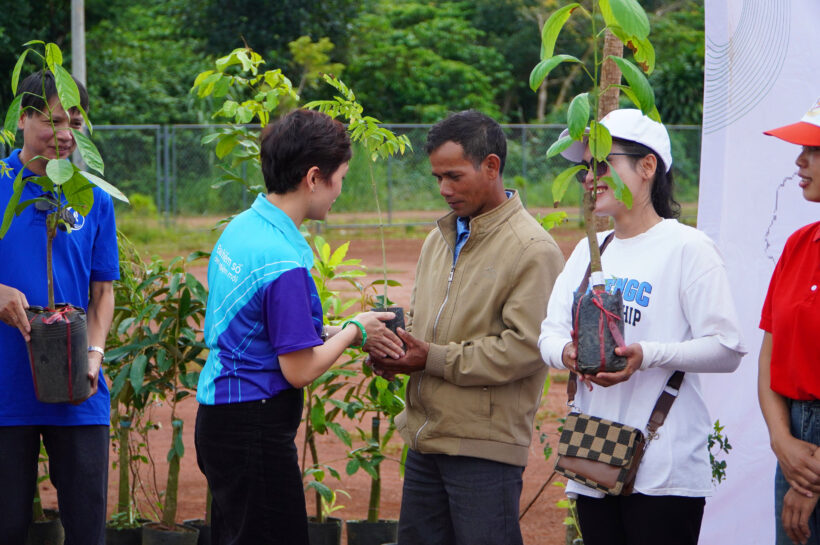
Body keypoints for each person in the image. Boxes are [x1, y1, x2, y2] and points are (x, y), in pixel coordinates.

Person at [194, 109, 403, 545]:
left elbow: (257, 326)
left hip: (219, 417)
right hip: (255, 425)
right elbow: (299, 369)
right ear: (313, 177)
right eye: (340, 177)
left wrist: (323, 329)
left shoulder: (244, 227)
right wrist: (353, 330)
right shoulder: (284, 261)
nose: (340, 191)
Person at [538, 109, 745, 545]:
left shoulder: (688, 248)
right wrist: (568, 355)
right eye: (584, 169)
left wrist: (646, 354)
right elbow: (549, 334)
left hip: (665, 467)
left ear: (647, 166)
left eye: (603, 163)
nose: (590, 178)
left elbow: (726, 348)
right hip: (594, 454)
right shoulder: (590, 250)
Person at [368, 110, 565, 545]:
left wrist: (431, 358)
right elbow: (425, 320)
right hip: (427, 439)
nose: (444, 189)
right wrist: (397, 348)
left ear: (491, 166)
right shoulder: (438, 239)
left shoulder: (533, 249)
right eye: (438, 177)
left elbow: (523, 348)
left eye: (454, 176)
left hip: (483, 450)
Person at [0, 72, 119, 544]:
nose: (65, 134)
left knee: (88, 527)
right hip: (6, 393)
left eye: (75, 121)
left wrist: (94, 357)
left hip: (78, 390)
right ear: (23, 118)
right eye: (52, 120)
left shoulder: (92, 197)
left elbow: (103, 291)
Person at [758, 96, 820, 545]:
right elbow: (769, 359)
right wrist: (784, 443)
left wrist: (810, 476)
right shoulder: (799, 244)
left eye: (814, 151)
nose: (799, 161)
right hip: (795, 441)